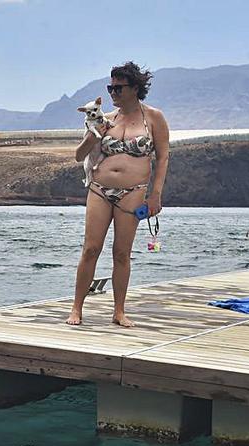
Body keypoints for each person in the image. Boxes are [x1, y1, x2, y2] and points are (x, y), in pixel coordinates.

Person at [67, 62, 171, 328]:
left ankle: (119, 311)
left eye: (119, 88)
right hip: (100, 189)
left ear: (135, 88)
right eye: (110, 87)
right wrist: (94, 136)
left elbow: (162, 158)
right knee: (90, 248)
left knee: (122, 253)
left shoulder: (154, 118)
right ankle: (76, 308)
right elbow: (79, 156)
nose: (113, 93)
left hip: (133, 192)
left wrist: (155, 195)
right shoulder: (105, 119)